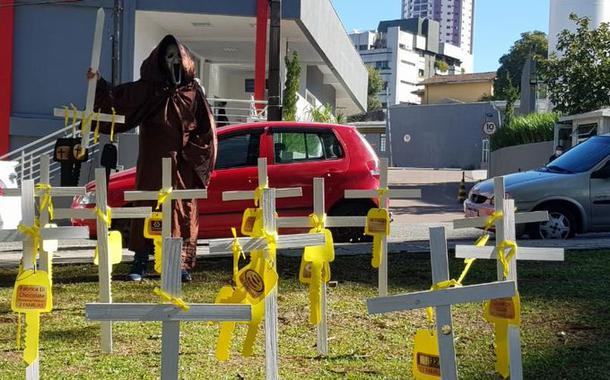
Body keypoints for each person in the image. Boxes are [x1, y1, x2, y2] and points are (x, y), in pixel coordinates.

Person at [89, 35, 217, 282]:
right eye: (169, 56)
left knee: (180, 212)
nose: (174, 61)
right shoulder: (148, 90)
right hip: (152, 162)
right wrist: (99, 84)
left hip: (180, 167)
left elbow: (206, 131)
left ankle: (179, 264)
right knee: (147, 208)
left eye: (177, 56)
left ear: (186, 59)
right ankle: (140, 261)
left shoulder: (193, 94)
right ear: (161, 61)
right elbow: (120, 101)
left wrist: (191, 155)